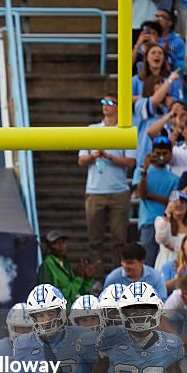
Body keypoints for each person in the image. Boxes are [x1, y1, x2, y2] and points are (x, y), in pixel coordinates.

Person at [79, 94, 137, 268]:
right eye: (103, 102)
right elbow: (81, 160)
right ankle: (96, 277)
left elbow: (131, 162)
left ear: (119, 107)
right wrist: (94, 155)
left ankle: (117, 274)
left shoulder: (125, 130)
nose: (106, 106)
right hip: (95, 190)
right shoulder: (92, 129)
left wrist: (109, 157)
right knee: (95, 239)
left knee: (119, 239)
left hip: (118, 191)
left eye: (110, 102)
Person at [136, 136, 179, 262]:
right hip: (148, 222)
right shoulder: (141, 171)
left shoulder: (174, 178)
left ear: (170, 155)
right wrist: (144, 169)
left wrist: (150, 196)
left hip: (167, 223)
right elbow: (141, 193)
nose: (161, 156)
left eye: (164, 153)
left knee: (165, 260)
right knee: (147, 262)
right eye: (157, 153)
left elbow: (172, 202)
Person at [36, 230, 96, 307]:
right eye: (56, 243)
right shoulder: (47, 265)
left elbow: (78, 291)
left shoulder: (65, 263)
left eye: (63, 242)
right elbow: (55, 295)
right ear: (49, 247)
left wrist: (87, 279)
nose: (61, 246)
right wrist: (78, 279)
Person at [154, 190, 187, 271]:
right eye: (175, 202)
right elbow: (161, 239)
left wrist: (174, 248)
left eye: (182, 202)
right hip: (166, 260)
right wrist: (167, 214)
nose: (179, 204)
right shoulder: (161, 221)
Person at [102, 243, 167, 300]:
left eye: (129, 263)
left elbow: (162, 301)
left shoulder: (155, 278)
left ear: (141, 262)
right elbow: (104, 301)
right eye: (123, 261)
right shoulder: (113, 279)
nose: (125, 266)